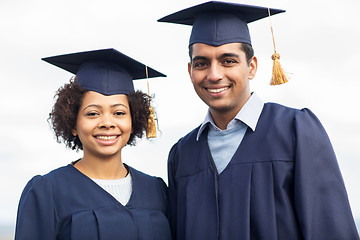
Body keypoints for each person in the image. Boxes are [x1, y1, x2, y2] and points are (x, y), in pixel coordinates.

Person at [158, 1, 359, 239]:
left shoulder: (295, 130)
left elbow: (329, 229)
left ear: (251, 67)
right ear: (190, 71)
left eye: (228, 61)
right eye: (202, 63)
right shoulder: (182, 154)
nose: (214, 74)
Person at [15, 48, 172, 239]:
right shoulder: (47, 192)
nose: (107, 123)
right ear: (73, 123)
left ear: (134, 121)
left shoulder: (156, 191)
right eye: (93, 113)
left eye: (119, 113)